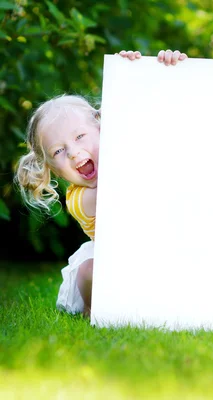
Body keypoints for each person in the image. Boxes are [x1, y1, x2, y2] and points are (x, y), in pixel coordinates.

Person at [14, 49, 188, 317]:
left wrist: (147, 73)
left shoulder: (126, 154)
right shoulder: (81, 197)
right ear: (52, 168)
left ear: (102, 129)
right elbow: (125, 188)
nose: (73, 152)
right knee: (90, 270)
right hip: (118, 262)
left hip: (159, 247)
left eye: (80, 136)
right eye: (59, 151)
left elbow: (159, 120)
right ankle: (91, 309)